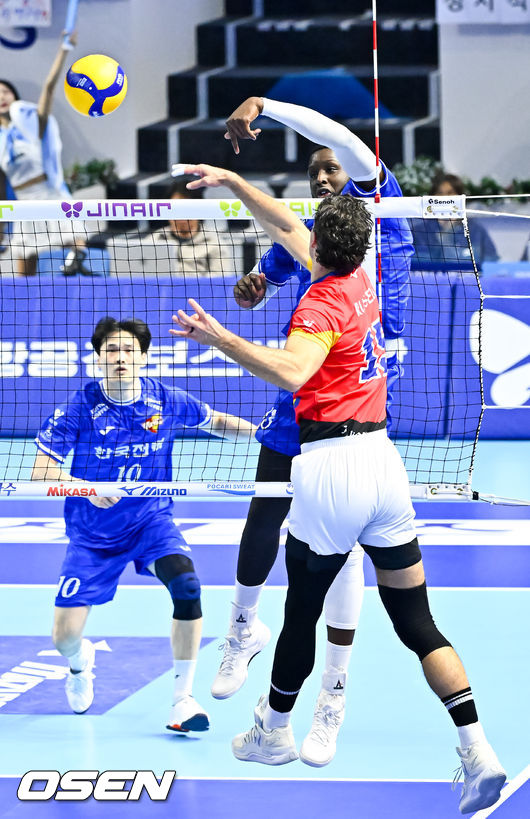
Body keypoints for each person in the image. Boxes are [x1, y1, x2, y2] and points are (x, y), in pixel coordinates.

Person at [171, 163, 506, 815]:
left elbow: (294, 372)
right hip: (385, 466)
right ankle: (479, 750)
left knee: (300, 613)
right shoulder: (361, 276)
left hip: (331, 468)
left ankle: (273, 732)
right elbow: (282, 222)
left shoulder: (320, 303)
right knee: (418, 623)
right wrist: (233, 182)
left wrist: (220, 337)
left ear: (319, 246)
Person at [210, 96, 414, 767]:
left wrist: (265, 106)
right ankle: (242, 630)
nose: (324, 177)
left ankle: (332, 693)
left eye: (333, 170)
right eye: (314, 172)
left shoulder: (380, 213)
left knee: (340, 550)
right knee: (265, 509)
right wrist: (253, 284)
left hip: (355, 396)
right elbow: (274, 257)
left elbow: (340, 139)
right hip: (303, 395)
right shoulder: (315, 237)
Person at [31, 315, 255, 733]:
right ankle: (79, 665)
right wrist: (85, 489)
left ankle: (182, 700)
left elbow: (216, 422)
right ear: (98, 358)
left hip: (151, 521)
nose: (120, 357)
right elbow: (41, 472)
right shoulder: (79, 408)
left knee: (187, 586)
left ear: (144, 358)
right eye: (111, 350)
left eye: (129, 350)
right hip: (92, 536)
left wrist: (263, 436)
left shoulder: (164, 399)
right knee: (64, 638)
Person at [0, 32, 88, 276]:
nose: (1, 96)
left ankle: (76, 263)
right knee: (23, 275)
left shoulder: (33, 125)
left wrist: (64, 49)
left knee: (77, 242)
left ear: (15, 97)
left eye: (5, 91)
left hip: (50, 195)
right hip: (23, 204)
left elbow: (49, 88)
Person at [142, 175, 228, 278]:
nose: (182, 215)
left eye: (187, 209)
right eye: (177, 209)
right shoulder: (153, 241)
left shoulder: (214, 242)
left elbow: (220, 282)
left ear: (199, 210)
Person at [410, 173, 499, 270]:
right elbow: (413, 264)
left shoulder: (476, 230)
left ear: (460, 197)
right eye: (440, 193)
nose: (445, 198)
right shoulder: (418, 231)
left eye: (450, 193)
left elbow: (492, 263)